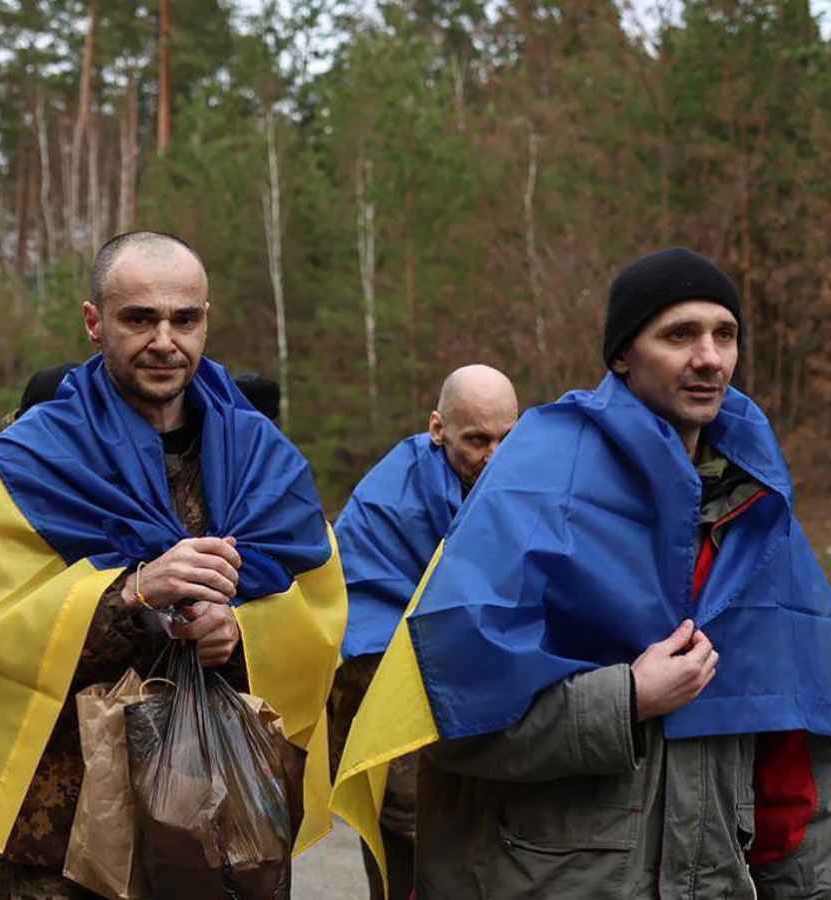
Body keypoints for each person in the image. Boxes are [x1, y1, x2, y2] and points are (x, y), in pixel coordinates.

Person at [0, 231, 348, 899]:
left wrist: (240, 632)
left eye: (184, 319)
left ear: (206, 320)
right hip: (59, 819)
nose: (165, 341)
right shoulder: (30, 458)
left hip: (216, 810)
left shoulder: (265, 455)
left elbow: (317, 603)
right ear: (94, 321)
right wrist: (131, 593)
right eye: (139, 319)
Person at [332, 247, 831, 898]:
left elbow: (793, 751)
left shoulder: (759, 511)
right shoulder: (532, 484)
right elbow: (450, 716)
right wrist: (628, 700)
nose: (709, 357)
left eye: (725, 334)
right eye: (680, 334)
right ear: (623, 354)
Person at [329, 364, 517, 900]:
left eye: (506, 437)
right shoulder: (393, 499)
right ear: (438, 429)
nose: (494, 455)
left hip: (457, 676)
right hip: (380, 677)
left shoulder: (516, 475)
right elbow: (361, 617)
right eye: (477, 440)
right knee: (409, 836)